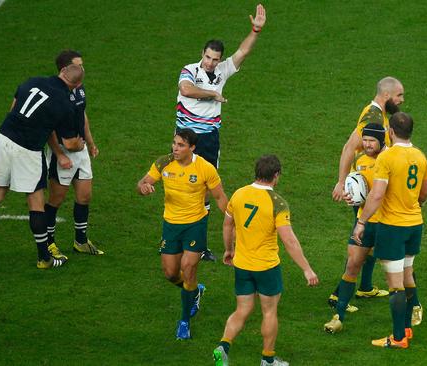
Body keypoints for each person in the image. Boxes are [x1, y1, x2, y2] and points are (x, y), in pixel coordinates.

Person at [175, 4, 266, 262]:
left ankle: (198, 245)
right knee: (181, 184)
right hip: (185, 136)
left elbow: (243, 51)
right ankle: (173, 237)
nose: (212, 63)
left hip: (210, 138)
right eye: (208, 57)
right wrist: (213, 94)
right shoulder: (190, 70)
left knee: (204, 189)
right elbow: (186, 90)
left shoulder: (223, 70)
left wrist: (256, 30)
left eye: (216, 59)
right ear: (201, 54)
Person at [0, 65, 85, 268]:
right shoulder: (64, 104)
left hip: (5, 138)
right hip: (28, 150)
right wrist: (81, 144)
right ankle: (44, 258)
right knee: (36, 202)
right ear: (77, 85)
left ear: (61, 72)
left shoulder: (33, 81)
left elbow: (13, 107)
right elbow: (70, 143)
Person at [212, 155, 319, 366]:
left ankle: (223, 346)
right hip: (266, 267)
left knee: (242, 309)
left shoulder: (239, 194)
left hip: (241, 264)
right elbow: (289, 239)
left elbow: (227, 225)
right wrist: (307, 269)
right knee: (269, 312)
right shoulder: (277, 203)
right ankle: (268, 360)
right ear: (276, 175)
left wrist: (228, 250)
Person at [136, 129, 228, 340]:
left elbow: (220, 197)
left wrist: (233, 219)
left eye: (180, 145)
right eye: (174, 143)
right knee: (170, 273)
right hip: (171, 225)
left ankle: (184, 321)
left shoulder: (205, 168)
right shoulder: (163, 163)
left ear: (192, 148)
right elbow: (142, 183)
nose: (175, 148)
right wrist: (144, 188)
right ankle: (195, 291)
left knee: (188, 269)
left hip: (195, 224)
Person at [352, 112, 427, 348]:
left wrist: (362, 221)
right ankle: (406, 329)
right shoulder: (421, 156)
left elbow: (376, 195)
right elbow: (425, 193)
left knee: (395, 284)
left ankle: (398, 338)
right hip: (415, 225)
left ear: (391, 132)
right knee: (408, 275)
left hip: (392, 228)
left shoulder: (386, 158)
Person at [324, 123, 389, 333]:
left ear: (382, 140)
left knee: (398, 272)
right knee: (352, 265)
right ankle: (339, 316)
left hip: (388, 224)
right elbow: (354, 185)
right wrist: (349, 194)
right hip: (366, 222)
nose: (368, 145)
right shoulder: (360, 160)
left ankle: (408, 314)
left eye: (372, 141)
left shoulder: (390, 159)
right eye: (365, 140)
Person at [45, 50, 103, 260]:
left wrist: (90, 141)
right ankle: (49, 243)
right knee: (56, 199)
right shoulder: (55, 95)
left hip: (80, 150)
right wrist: (60, 154)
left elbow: (82, 115)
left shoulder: (79, 88)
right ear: (65, 70)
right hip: (62, 153)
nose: (82, 70)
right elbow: (49, 128)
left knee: (85, 196)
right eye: (78, 66)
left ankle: (80, 240)